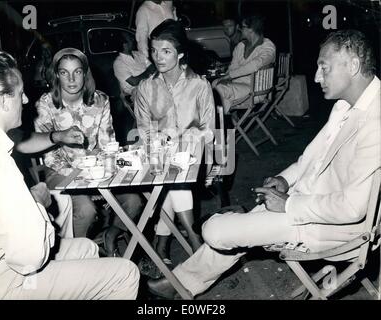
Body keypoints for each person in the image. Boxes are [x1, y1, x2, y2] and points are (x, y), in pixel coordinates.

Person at [147, 29, 380, 299]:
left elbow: (352, 209)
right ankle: (178, 284)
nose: (316, 77)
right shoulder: (346, 106)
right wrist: (284, 181)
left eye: (324, 68)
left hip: (331, 227)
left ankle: (192, 266)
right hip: (309, 201)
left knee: (214, 230)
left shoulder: (375, 121)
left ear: (352, 66)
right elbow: (308, 159)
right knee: (238, 226)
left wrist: (288, 205)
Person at [0, 51, 140, 299]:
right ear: (3, 101)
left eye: (77, 72)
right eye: (21, 93)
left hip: (2, 262)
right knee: (127, 273)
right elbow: (30, 257)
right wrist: (39, 206)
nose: (25, 100)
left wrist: (61, 138)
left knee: (89, 247)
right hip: (3, 280)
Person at [34, 48, 144, 256]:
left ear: (85, 73)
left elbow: (106, 143)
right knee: (86, 210)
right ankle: (74, 256)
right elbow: (50, 155)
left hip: (95, 170)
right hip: (60, 172)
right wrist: (81, 171)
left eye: (77, 72)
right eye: (64, 72)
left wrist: (100, 165)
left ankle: (112, 234)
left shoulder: (100, 100)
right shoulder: (46, 104)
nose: (72, 79)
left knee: (134, 201)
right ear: (57, 75)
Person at [134, 19, 215, 265]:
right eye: (154, 50)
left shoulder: (199, 85)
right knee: (173, 178)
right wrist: (159, 142)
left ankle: (182, 241)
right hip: (159, 158)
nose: (158, 57)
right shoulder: (146, 88)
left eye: (166, 51)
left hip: (197, 156)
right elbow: (144, 132)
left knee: (177, 178)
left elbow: (209, 131)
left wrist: (180, 138)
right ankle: (189, 241)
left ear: (180, 53)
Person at [9, 127, 85, 238]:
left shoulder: (2, 131)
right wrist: (36, 201)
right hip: (8, 222)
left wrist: (60, 135)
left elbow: (22, 140)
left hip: (21, 201)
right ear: (5, 108)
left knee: (63, 200)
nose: (24, 108)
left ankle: (61, 247)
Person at [213, 15, 276, 113]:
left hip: (256, 90)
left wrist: (230, 76)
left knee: (219, 90)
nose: (238, 29)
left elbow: (255, 65)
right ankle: (225, 122)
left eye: (242, 27)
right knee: (214, 84)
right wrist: (226, 77)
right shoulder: (241, 46)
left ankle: (221, 123)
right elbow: (233, 66)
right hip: (238, 85)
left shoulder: (267, 46)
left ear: (251, 29)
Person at [113, 32, 156, 100]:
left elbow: (153, 68)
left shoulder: (138, 54)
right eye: (130, 39)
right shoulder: (119, 63)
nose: (133, 40)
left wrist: (146, 74)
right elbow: (134, 82)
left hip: (152, 83)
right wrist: (148, 72)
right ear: (125, 44)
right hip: (137, 91)